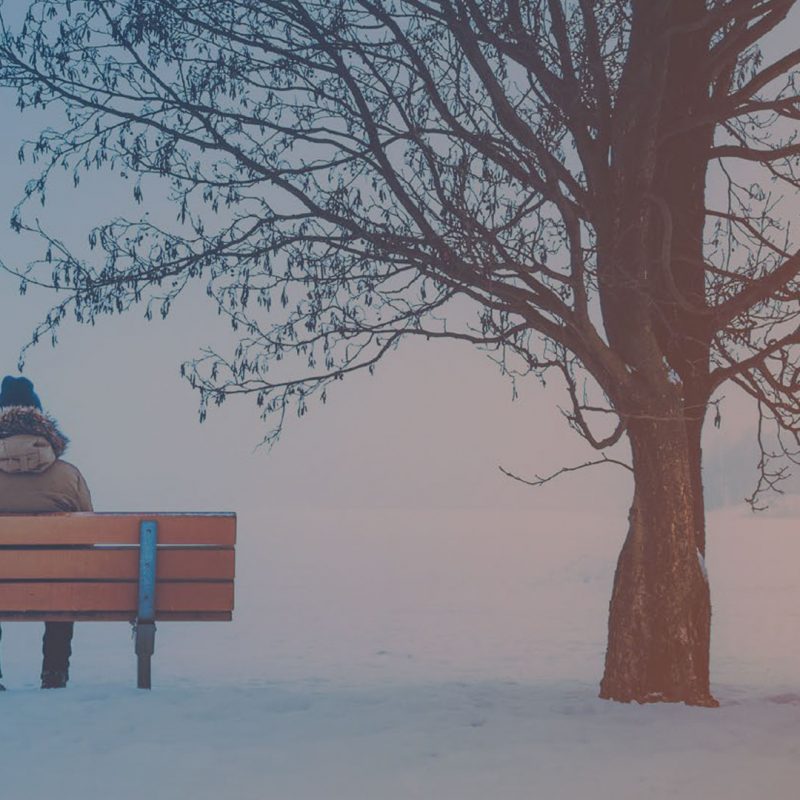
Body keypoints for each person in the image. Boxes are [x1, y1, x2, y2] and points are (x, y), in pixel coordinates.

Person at [0, 376, 93, 689]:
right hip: (56, 585)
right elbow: (88, 534)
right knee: (62, 580)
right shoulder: (68, 475)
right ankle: (54, 672)